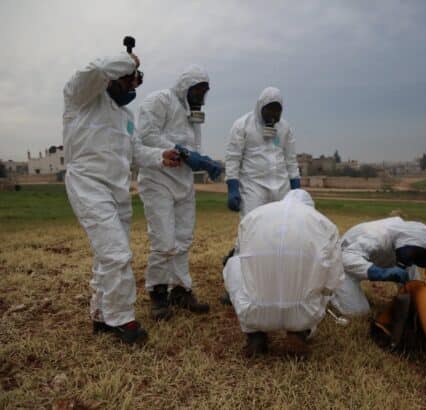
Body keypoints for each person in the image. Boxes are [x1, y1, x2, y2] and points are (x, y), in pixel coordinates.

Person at [63, 50, 181, 344]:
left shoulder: (126, 117)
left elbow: (135, 151)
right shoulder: (82, 98)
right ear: (113, 76)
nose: (132, 88)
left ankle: (101, 314)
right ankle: (122, 319)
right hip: (88, 184)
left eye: (136, 83)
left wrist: (159, 155)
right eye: (128, 81)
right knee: (116, 253)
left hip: (118, 191)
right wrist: (129, 61)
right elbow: (94, 68)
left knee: (108, 256)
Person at [136, 66, 222, 321]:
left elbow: (192, 148)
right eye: (198, 90)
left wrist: (203, 160)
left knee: (183, 239)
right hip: (158, 180)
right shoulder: (159, 100)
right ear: (185, 87)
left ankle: (181, 290)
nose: (201, 96)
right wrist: (185, 153)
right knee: (164, 240)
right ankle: (158, 292)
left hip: (183, 183)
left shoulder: (193, 115)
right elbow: (147, 136)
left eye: (205, 91)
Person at [223, 189, 344, 356]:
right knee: (324, 277)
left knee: (234, 263)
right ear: (310, 206)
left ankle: (254, 334)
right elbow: (334, 280)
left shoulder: (253, 216)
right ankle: (300, 333)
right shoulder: (325, 223)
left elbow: (242, 254)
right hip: (304, 313)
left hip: (255, 311)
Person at [224, 86, 300, 218]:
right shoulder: (243, 125)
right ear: (260, 107)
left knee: (280, 229)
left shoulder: (284, 128)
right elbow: (233, 158)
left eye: (277, 111)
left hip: (282, 188)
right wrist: (232, 187)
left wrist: (296, 188)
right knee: (252, 228)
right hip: (253, 188)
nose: (273, 115)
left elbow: (291, 160)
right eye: (270, 109)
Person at [331, 217, 426, 316]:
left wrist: (416, 296)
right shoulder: (374, 236)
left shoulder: (405, 241)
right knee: (358, 312)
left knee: (416, 298)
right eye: (411, 252)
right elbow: (346, 258)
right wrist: (378, 272)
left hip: (372, 259)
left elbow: (411, 271)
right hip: (343, 267)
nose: (412, 257)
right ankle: (328, 293)